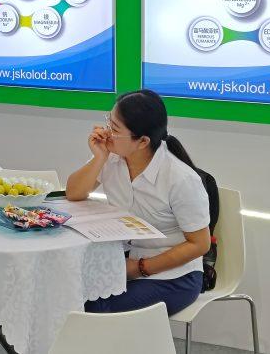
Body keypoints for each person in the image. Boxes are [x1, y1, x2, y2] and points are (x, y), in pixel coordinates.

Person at [66, 89, 210, 315]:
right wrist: (99, 157)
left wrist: (140, 268)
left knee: (92, 307)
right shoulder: (112, 157)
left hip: (174, 275)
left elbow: (200, 244)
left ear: (142, 141)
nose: (106, 132)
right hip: (124, 261)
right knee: (66, 291)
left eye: (115, 129)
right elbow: (74, 193)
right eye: (108, 121)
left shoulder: (180, 178)